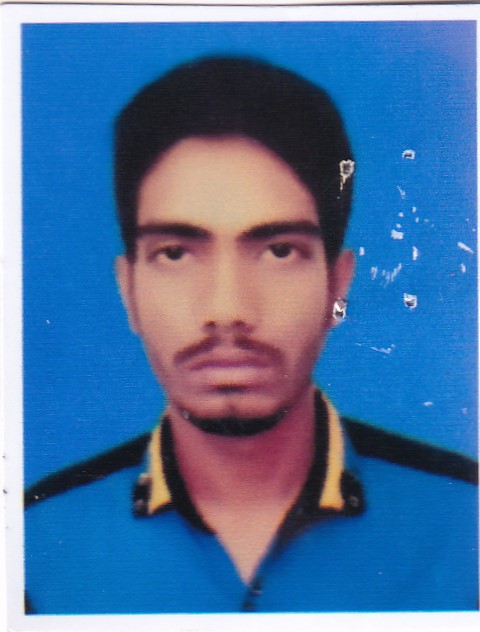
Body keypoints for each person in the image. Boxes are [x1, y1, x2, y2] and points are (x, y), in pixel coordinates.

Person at [24, 56, 478, 614]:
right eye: (175, 253)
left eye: (279, 251)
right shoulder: (29, 548)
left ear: (337, 286)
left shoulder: (465, 523)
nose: (227, 310)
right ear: (129, 290)